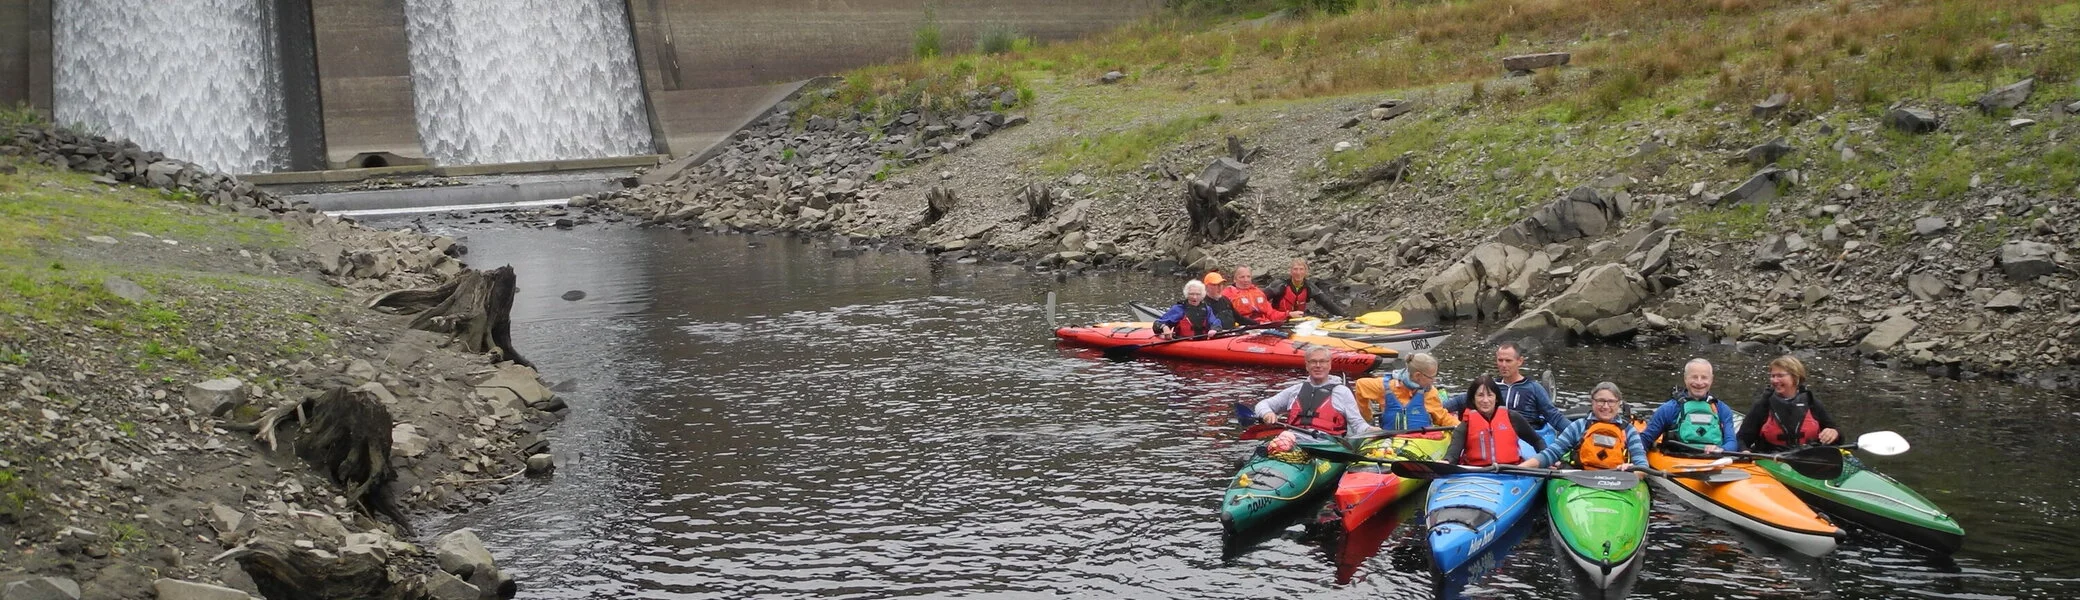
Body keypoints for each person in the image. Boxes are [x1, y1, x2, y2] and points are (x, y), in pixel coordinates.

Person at [1443, 343, 1569, 435]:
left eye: (1508, 361)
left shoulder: (1534, 388)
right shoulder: (1490, 387)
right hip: (1494, 434)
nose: (1503, 365)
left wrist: (1579, 433)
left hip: (1526, 436)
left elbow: (1554, 417)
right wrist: (1430, 411)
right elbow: (1459, 401)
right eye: (1500, 360)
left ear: (1520, 361)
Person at [1523, 382, 1648, 471]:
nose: (1605, 406)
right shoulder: (1579, 426)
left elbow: (1641, 464)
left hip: (1618, 481)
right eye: (1600, 401)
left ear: (1619, 403)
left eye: (1611, 402)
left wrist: (1633, 471)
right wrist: (1521, 467)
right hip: (1580, 478)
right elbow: (1552, 453)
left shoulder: (1629, 431)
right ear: (1592, 402)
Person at [1254, 347, 1376, 438]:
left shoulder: (1342, 392)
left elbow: (1358, 425)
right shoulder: (1296, 390)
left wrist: (1373, 431)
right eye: (1313, 361)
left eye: (1322, 361)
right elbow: (1262, 404)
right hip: (1294, 441)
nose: (1318, 365)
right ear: (1307, 365)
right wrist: (1267, 413)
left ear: (1329, 365)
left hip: (1327, 446)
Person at [1738, 355, 1842, 452]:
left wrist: (1834, 433)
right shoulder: (1763, 405)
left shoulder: (1811, 402)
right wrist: (1745, 451)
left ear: (1795, 377)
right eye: (1772, 376)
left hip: (1807, 458)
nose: (1774, 380)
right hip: (1771, 460)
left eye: (1780, 376)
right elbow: (1741, 439)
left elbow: (1838, 435)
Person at [1639, 358, 1742, 453]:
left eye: (1704, 378)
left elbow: (1732, 443)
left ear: (1711, 380)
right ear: (1685, 379)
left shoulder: (1723, 410)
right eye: (1694, 377)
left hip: (1712, 459)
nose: (1699, 382)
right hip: (1676, 459)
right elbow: (1646, 439)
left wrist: (1720, 449)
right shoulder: (1669, 409)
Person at [1442, 375, 1547, 467]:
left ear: (1496, 398)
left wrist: (1546, 459)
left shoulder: (1513, 418)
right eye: (1480, 395)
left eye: (1490, 395)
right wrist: (1446, 462)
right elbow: (1452, 455)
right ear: (1473, 399)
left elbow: (1537, 441)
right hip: (1476, 472)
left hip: (1510, 471)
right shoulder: (1465, 425)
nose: (1485, 400)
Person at [1352, 353, 1459, 430]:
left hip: (1420, 441)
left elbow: (1442, 418)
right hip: (1389, 440)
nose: (1434, 381)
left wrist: (1461, 426)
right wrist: (1367, 419)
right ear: (1418, 375)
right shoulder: (1386, 387)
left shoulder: (1430, 392)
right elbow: (1360, 385)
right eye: (1431, 377)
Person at [1266, 258, 1346, 318]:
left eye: (1301, 269)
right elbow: (1259, 299)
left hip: (1298, 322)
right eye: (1295, 269)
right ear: (1290, 271)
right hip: (1278, 320)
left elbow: (1326, 303)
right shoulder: (1280, 285)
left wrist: (1345, 316)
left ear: (1306, 272)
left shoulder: (1309, 287)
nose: (1298, 273)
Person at [1152, 280, 1221, 338]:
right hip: (1182, 342)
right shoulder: (1179, 309)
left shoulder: (1206, 309)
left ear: (1202, 295)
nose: (1194, 297)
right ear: (1187, 294)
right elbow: (1158, 323)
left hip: (1203, 342)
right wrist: (1164, 327)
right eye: (1191, 294)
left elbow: (1215, 322)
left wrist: (1215, 329)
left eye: (1198, 294)